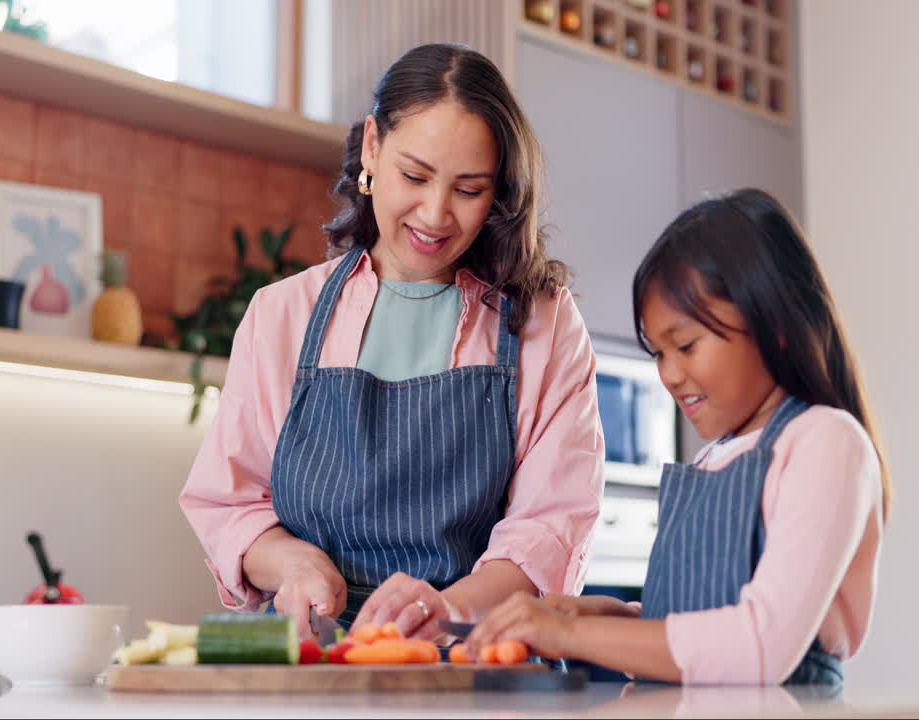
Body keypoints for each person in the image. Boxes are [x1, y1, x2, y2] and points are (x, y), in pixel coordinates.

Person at [179, 43, 605, 641]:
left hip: (479, 664)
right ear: (373, 147)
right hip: (319, 663)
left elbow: (550, 527)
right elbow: (231, 506)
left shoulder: (543, 325)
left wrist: (443, 612)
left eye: (469, 189)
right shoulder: (282, 314)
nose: (435, 214)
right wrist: (293, 562)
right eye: (415, 175)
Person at [463, 188, 891, 686]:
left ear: (776, 326)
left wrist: (570, 639)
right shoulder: (717, 458)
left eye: (685, 345)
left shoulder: (825, 442)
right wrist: (608, 619)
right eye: (659, 354)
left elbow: (757, 646)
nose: (669, 375)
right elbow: (698, 634)